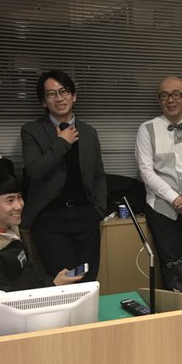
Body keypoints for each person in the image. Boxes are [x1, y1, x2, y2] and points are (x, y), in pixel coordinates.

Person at [21, 69, 107, 282]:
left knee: (88, 280)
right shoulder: (32, 131)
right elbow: (34, 170)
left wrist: (98, 210)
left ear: (73, 96)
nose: (59, 98)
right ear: (44, 101)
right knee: (63, 283)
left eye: (64, 91)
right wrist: (61, 143)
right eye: (51, 94)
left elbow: (98, 175)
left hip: (85, 216)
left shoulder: (89, 132)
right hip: (50, 219)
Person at [135, 75, 182, 287]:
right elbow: (146, 171)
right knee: (171, 270)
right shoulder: (147, 129)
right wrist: (174, 198)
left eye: (176, 94)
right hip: (162, 210)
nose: (171, 100)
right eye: (165, 95)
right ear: (159, 99)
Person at [0, 171, 84, 291]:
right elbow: (2, 301)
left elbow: (31, 271)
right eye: (10, 200)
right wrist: (53, 286)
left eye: (19, 197)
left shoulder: (9, 227)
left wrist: (53, 283)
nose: (19, 205)